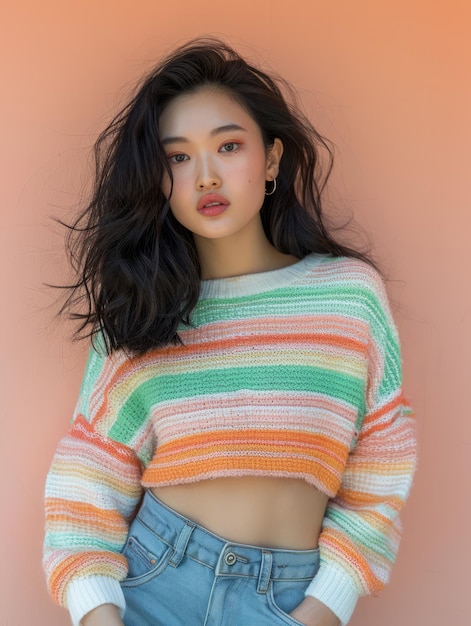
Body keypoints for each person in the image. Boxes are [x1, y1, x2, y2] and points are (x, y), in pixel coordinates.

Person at [43, 38, 417, 626]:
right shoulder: (144, 311)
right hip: (151, 587)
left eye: (229, 146)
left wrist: (327, 606)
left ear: (270, 160)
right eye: (179, 157)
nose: (207, 175)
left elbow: (383, 457)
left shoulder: (348, 295)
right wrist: (96, 612)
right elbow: (90, 471)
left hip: (290, 599)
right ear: (158, 179)